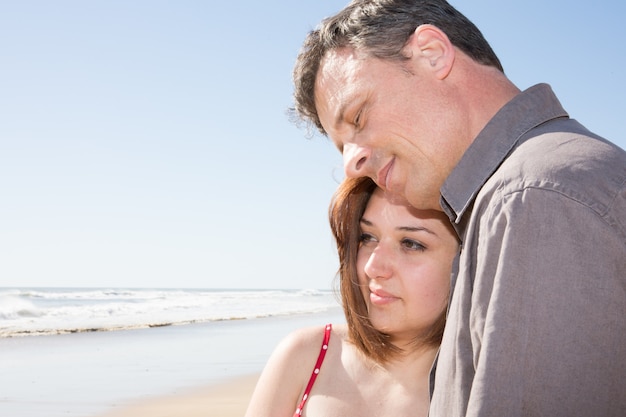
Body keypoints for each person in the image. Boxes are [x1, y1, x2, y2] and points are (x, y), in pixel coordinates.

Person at [291, 1, 626, 416]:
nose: (351, 163)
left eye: (358, 116)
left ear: (432, 54)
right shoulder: (525, 193)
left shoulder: (533, 198)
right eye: (342, 146)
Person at [244, 176, 459, 417]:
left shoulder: (481, 389)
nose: (373, 267)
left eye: (411, 243)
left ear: (467, 259)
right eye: (367, 237)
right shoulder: (306, 354)